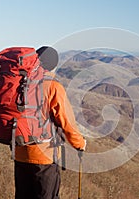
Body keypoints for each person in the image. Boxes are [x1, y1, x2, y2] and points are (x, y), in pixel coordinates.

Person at [14, 46, 86, 199]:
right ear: (53, 65)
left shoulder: (20, 83)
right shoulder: (53, 86)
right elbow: (67, 122)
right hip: (44, 156)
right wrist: (79, 143)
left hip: (19, 151)